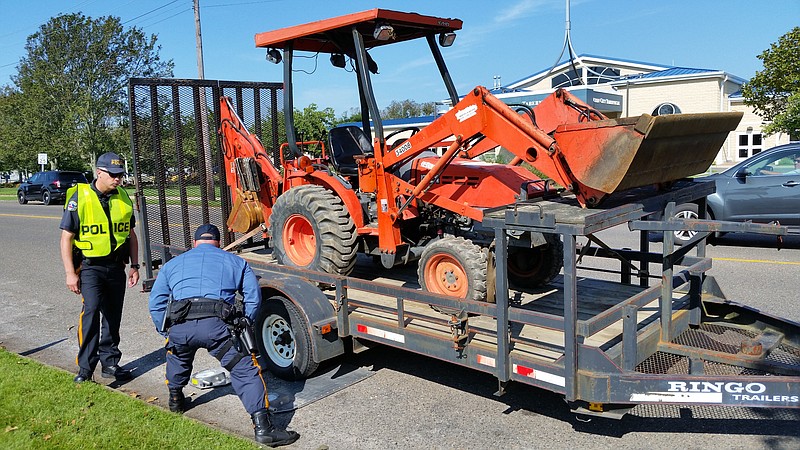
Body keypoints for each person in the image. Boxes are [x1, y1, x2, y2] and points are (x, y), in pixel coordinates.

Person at [148, 224, 299, 448]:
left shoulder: (172, 265)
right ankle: (264, 429)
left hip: (181, 328)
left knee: (177, 357)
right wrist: (245, 321)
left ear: (194, 242)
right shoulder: (237, 262)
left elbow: (156, 302)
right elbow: (253, 297)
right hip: (218, 329)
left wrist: (165, 330)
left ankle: (176, 400)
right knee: (245, 370)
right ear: (219, 243)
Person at [59, 152, 140, 383]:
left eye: (120, 175)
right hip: (90, 267)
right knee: (91, 312)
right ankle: (85, 368)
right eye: (113, 175)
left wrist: (134, 265)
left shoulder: (123, 196)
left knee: (113, 318)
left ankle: (110, 363)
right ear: (99, 173)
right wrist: (69, 273)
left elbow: (131, 235)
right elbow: (67, 237)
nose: (117, 179)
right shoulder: (80, 196)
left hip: (116, 267)